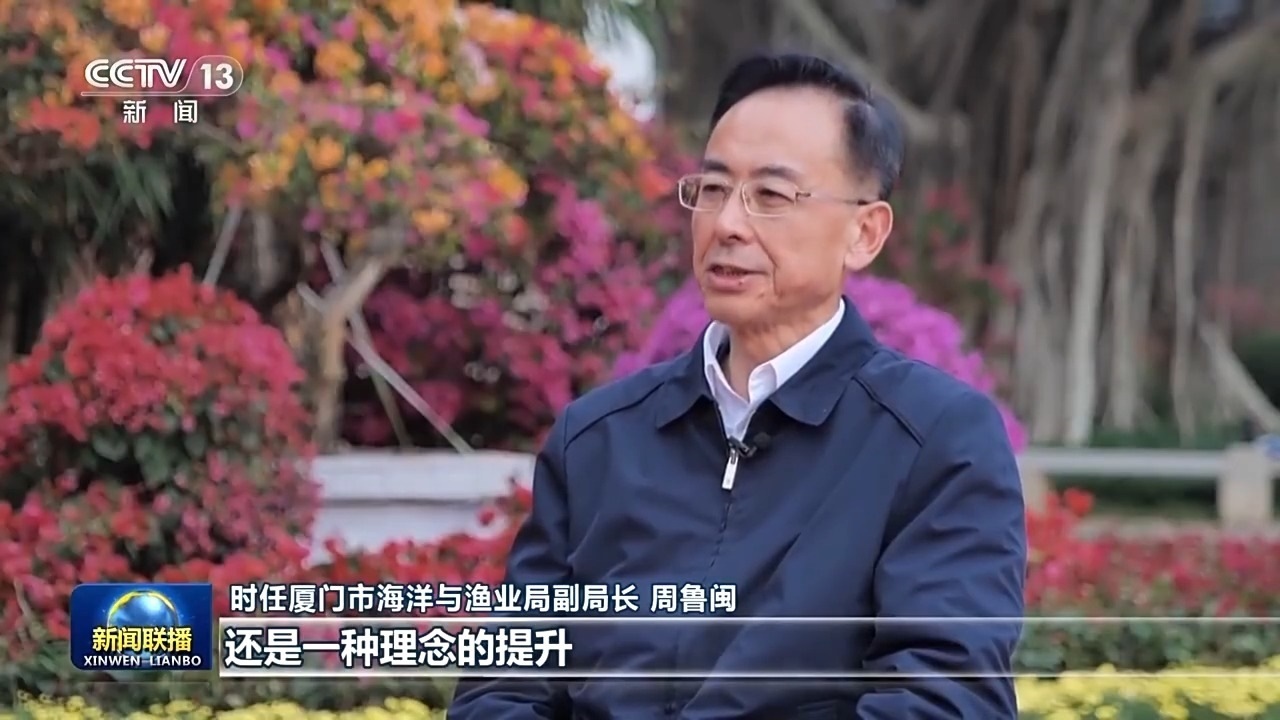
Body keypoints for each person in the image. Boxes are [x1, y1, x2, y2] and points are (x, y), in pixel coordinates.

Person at [449, 53, 1026, 719]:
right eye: (713, 188)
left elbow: (947, 698)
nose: (727, 223)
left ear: (864, 233)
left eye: (771, 196)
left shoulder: (935, 440)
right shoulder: (599, 438)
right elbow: (502, 686)